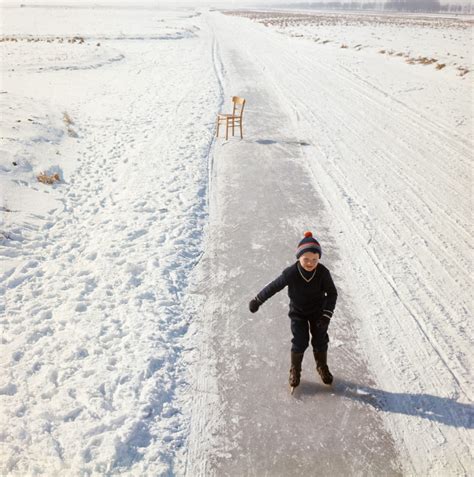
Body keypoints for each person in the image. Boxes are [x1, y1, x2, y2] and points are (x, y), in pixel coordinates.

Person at [249, 231, 338, 390]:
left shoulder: (323, 273)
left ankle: (322, 366)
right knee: (300, 341)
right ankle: (295, 369)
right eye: (306, 259)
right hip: (298, 313)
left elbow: (332, 294)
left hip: (318, 312)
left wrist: (326, 315)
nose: (310, 263)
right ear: (299, 257)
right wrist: (258, 300)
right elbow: (274, 287)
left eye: (314, 259)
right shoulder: (291, 273)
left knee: (320, 340)